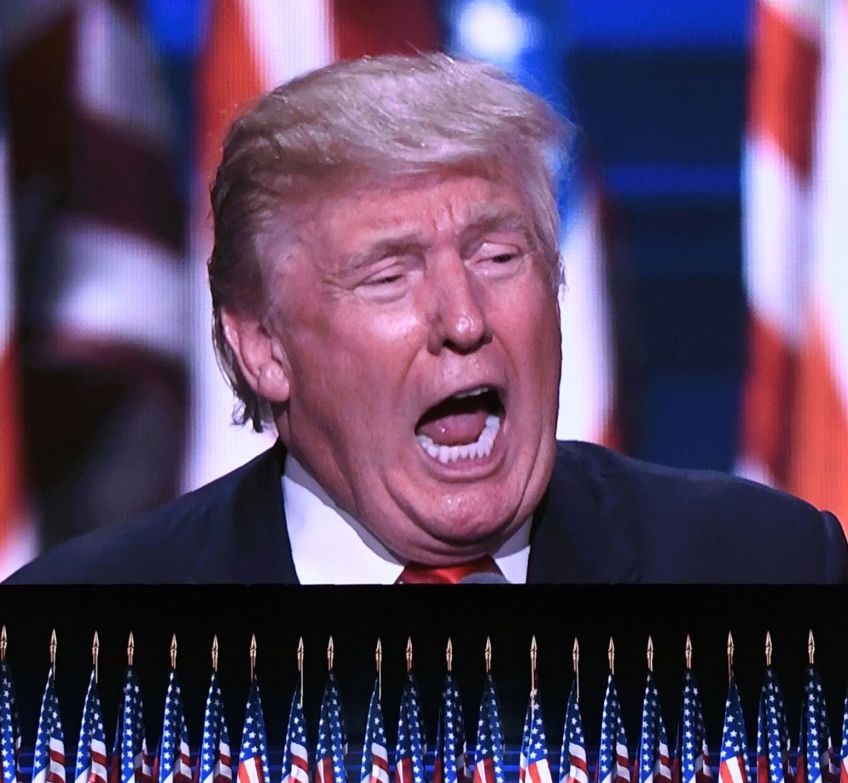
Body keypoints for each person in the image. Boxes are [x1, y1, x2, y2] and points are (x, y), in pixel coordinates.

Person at [6, 53, 848, 584]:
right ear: (261, 345)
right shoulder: (87, 639)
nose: (463, 318)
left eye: (497, 255)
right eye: (389, 274)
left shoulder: (763, 571)